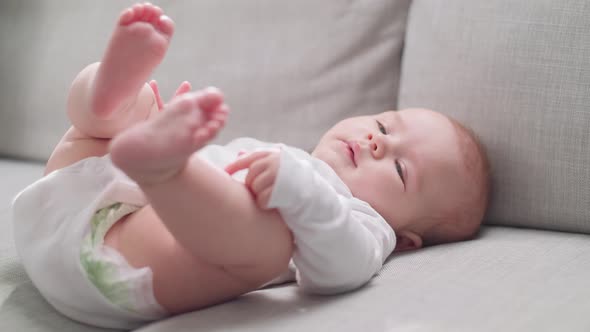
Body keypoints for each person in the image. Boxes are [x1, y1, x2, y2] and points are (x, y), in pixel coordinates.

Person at [11, 3, 490, 329]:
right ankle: (112, 96)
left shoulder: (363, 223)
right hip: (72, 199)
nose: (376, 144)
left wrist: (302, 196)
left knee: (272, 244)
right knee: (114, 122)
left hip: (118, 265)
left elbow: (342, 271)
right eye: (385, 127)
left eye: (401, 170)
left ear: (406, 240)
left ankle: (162, 161)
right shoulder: (285, 155)